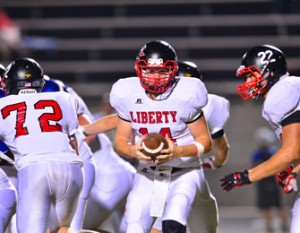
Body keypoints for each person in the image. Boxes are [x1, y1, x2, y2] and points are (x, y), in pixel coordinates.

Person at [108, 40, 212, 233]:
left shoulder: (186, 93)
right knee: (134, 228)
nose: (156, 77)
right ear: (139, 69)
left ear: (173, 70)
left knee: (173, 222)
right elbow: (121, 142)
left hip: (185, 171)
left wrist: (179, 150)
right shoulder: (127, 94)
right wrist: (133, 150)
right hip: (148, 173)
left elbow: (205, 142)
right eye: (150, 70)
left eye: (163, 71)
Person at [220, 45, 300, 233]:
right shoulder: (290, 87)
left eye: (251, 75)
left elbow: (291, 151)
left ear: (270, 72)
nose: (247, 82)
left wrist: (248, 176)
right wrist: (291, 169)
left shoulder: (281, 93)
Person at [0, 57, 83, 233]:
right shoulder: (63, 98)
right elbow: (73, 143)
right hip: (71, 168)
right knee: (62, 229)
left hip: (35, 170)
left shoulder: (2, 104)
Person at [151, 61, 230, 233]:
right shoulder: (211, 104)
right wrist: (216, 162)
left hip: (157, 175)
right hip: (187, 173)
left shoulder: (148, 104)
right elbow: (222, 149)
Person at [251, 127, 288, 233]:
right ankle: (284, 226)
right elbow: (282, 167)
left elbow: (252, 168)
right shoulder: (274, 152)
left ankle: (269, 228)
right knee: (278, 206)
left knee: (267, 207)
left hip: (263, 183)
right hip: (274, 182)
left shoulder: (257, 154)